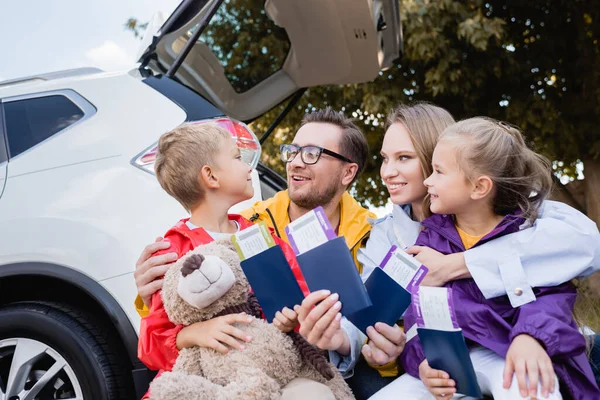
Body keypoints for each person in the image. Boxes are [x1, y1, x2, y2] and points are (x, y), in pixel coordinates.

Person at [294, 103, 600, 399]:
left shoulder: (518, 214)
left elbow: (579, 248)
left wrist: (459, 264)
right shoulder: (392, 234)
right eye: (385, 158)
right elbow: (380, 311)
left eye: (404, 158)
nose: (387, 171)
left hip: (525, 344)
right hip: (446, 364)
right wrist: (349, 340)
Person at [137, 123, 329, 399]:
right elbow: (151, 345)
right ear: (211, 176)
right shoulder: (172, 250)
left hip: (270, 370)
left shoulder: (263, 236)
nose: (249, 167)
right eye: (238, 158)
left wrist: (292, 318)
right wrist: (194, 333)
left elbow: (301, 294)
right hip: (205, 380)